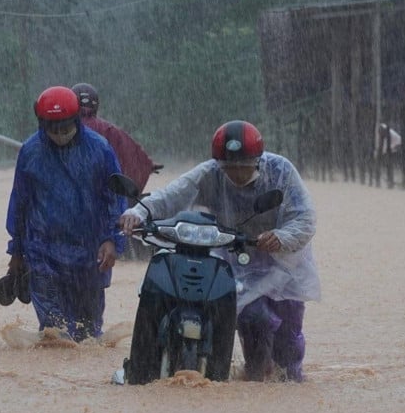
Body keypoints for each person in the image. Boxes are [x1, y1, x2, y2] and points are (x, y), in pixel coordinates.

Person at [119, 120, 320, 382]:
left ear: (257, 161)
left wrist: (281, 237)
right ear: (219, 164)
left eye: (244, 166)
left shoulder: (281, 171)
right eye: (229, 167)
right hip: (238, 256)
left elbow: (305, 217)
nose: (236, 173)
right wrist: (139, 211)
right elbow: (172, 195)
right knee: (251, 318)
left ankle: (288, 382)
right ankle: (255, 377)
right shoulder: (210, 173)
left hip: (284, 263)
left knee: (287, 338)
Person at [3, 86, 126, 342]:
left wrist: (112, 240)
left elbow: (115, 199)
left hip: (89, 255)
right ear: (42, 124)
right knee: (54, 335)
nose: (60, 134)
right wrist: (16, 251)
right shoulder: (31, 152)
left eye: (65, 127)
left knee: (88, 335)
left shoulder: (99, 150)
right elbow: (20, 202)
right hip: (43, 255)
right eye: (53, 128)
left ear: (77, 121)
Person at [71, 83, 157, 193]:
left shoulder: (59, 127)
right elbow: (130, 151)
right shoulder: (108, 129)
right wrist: (147, 164)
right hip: (101, 195)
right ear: (96, 104)